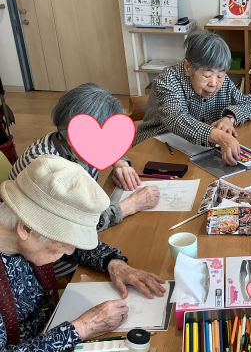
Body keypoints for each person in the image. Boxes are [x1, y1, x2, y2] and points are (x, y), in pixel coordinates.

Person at [0, 155, 166, 352]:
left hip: (54, 336)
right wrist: (80, 329)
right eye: (61, 247)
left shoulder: (22, 229)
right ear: (25, 228)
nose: (67, 253)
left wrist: (113, 263)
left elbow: (70, 244)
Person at [10, 83, 159, 275]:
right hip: (52, 255)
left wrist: (119, 162)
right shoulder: (48, 170)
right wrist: (131, 205)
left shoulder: (67, 143)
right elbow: (75, 227)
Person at [134, 32, 251, 166]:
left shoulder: (224, 82)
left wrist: (230, 118)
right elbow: (176, 119)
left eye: (220, 75)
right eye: (207, 75)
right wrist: (216, 135)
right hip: (155, 147)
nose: (213, 83)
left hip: (199, 151)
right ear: (187, 67)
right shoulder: (168, 80)